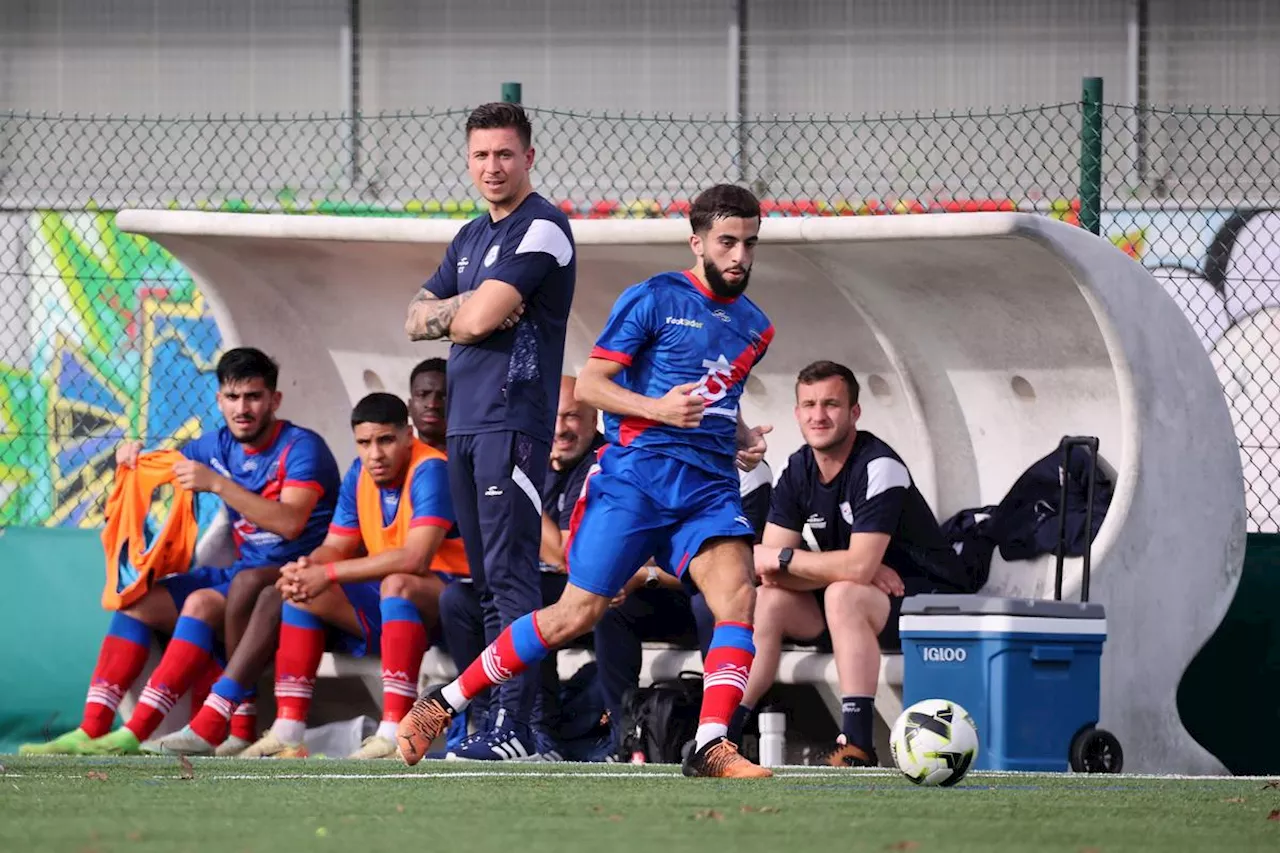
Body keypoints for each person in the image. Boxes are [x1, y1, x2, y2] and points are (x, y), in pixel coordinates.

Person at [398, 183, 776, 780]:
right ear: (697, 241)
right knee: (574, 616)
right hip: (635, 481)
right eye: (727, 242)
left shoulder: (756, 327)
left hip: (707, 486)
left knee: (739, 596)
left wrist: (741, 436)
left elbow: (713, 395)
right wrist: (658, 411)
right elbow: (594, 386)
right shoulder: (652, 298)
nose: (740, 257)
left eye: (750, 244)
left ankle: (710, 743)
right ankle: (443, 704)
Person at [20, 347, 340, 756]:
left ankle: (137, 734)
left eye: (254, 397)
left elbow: (290, 522)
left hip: (292, 579)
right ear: (219, 399)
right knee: (137, 604)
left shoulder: (301, 448)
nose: (243, 408)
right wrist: (129, 463)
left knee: (201, 604)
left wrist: (218, 484)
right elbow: (155, 474)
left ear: (274, 401)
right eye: (233, 396)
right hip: (242, 573)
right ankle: (94, 728)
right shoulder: (213, 446)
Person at [404, 101, 576, 760]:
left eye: (504, 153)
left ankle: (517, 729)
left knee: (511, 582)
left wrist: (465, 313)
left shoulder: (545, 228)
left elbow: (473, 324)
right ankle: (493, 722)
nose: (492, 166)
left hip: (513, 422)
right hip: (466, 427)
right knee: (482, 586)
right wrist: (466, 307)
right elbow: (415, 317)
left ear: (529, 156)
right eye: (480, 154)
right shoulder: (470, 236)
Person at [732, 360, 968, 767]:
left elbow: (842, 568)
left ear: (854, 412)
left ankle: (857, 743)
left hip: (925, 598)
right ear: (797, 413)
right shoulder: (799, 467)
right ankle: (728, 730)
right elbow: (765, 566)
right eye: (808, 405)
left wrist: (798, 560)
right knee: (770, 600)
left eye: (831, 404)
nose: (818, 415)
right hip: (852, 604)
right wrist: (836, 565)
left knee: (843, 593)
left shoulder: (879, 466)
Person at [435, 374, 603, 759]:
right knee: (460, 601)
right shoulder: (539, 458)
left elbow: (563, 553)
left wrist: (518, 484)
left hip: (594, 592)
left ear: (595, 421)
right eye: (554, 417)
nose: (561, 428)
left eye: (574, 417)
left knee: (522, 606)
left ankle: (532, 730)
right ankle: (486, 717)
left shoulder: (599, 463)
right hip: (548, 584)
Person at [593, 460, 772, 758]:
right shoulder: (650, 461)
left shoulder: (748, 471)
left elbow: (747, 568)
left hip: (722, 598)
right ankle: (623, 737)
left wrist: (647, 574)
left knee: (713, 602)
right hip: (670, 594)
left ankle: (720, 736)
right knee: (613, 607)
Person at [407, 357, 448, 450]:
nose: (432, 404)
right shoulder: (397, 459)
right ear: (409, 406)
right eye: (422, 395)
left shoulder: (474, 460)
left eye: (443, 397)